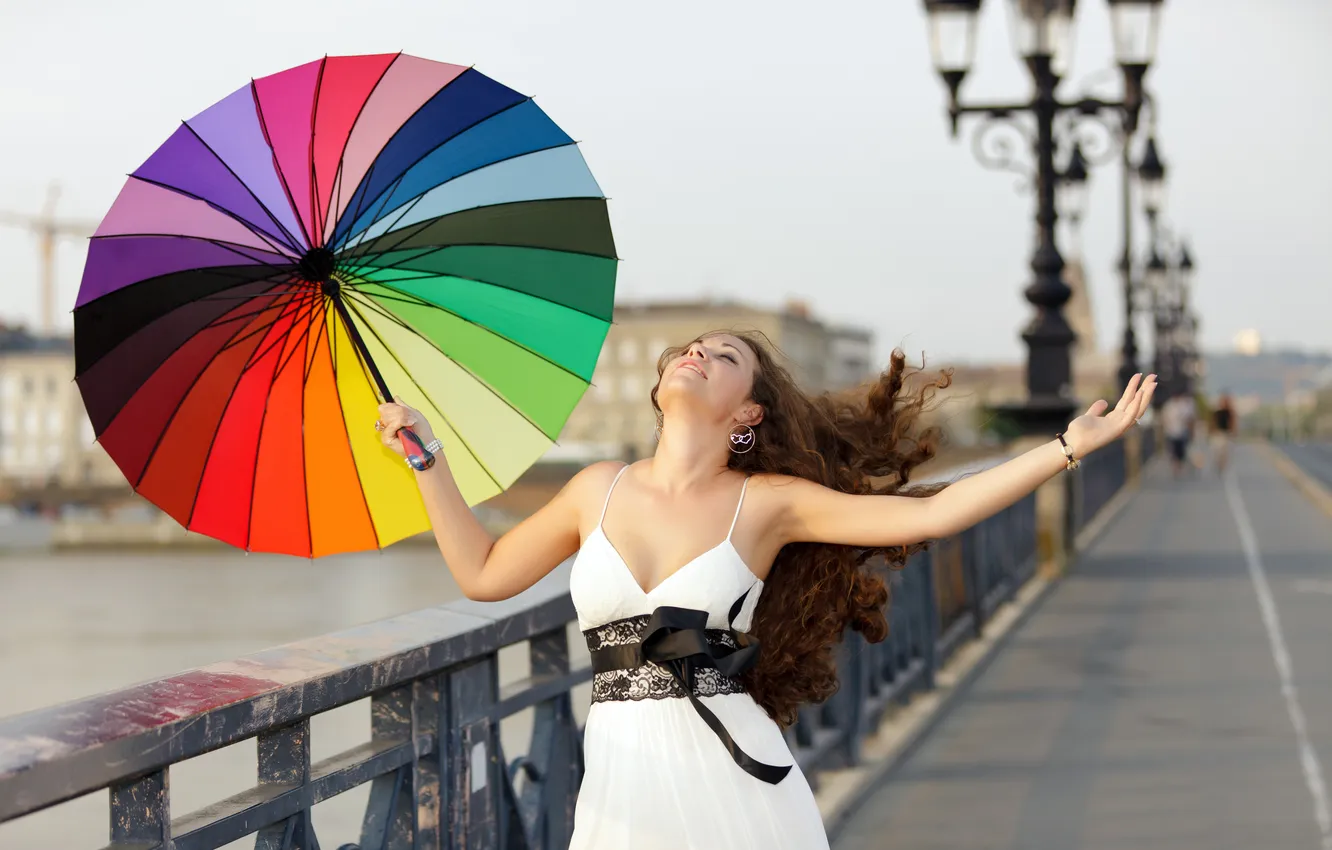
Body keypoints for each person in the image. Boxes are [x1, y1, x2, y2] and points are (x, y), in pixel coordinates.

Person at [375, 332, 1156, 850]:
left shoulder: (769, 502)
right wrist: (428, 460)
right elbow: (482, 574)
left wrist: (1065, 448)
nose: (695, 354)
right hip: (619, 783)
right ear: (658, 390)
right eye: (690, 349)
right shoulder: (595, 490)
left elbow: (938, 509)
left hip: (727, 777)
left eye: (722, 356)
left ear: (747, 410)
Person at [1161, 391, 1196, 477]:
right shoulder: (1168, 406)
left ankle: (1179, 465)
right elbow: (1164, 418)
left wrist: (1191, 431)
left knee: (1180, 451)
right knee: (1173, 451)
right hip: (1171, 432)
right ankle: (1175, 467)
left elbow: (1188, 419)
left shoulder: (1182, 406)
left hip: (1181, 432)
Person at [1210, 392, 1237, 472]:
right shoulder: (1217, 412)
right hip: (1218, 434)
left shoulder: (1230, 412)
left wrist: (1233, 432)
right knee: (1217, 451)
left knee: (1224, 452)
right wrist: (1212, 432)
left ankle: (1222, 466)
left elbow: (1232, 423)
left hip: (1226, 434)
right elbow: (1213, 423)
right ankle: (1218, 464)